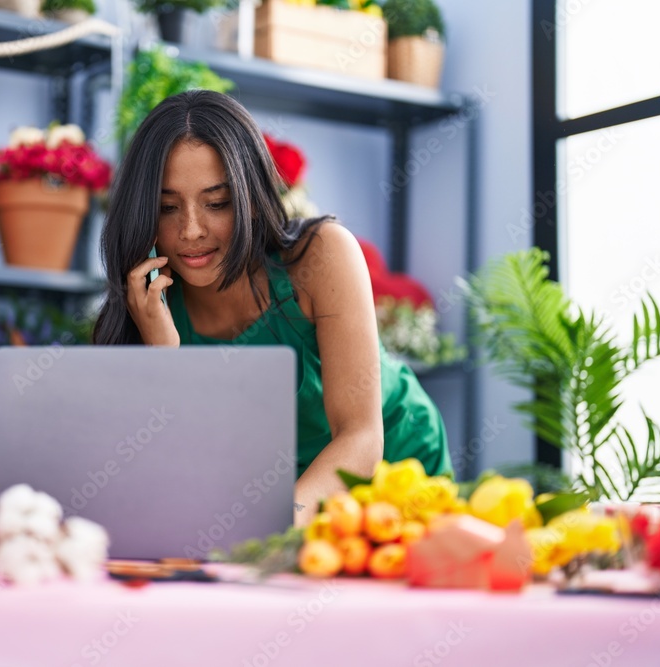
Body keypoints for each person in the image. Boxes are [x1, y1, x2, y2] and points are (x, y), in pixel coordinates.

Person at [93, 90, 451, 526]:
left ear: (250, 200)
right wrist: (165, 360)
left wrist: (271, 530)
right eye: (167, 208)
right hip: (268, 502)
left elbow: (360, 437)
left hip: (388, 470)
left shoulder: (322, 256)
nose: (190, 230)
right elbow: (181, 476)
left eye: (217, 203)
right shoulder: (151, 305)